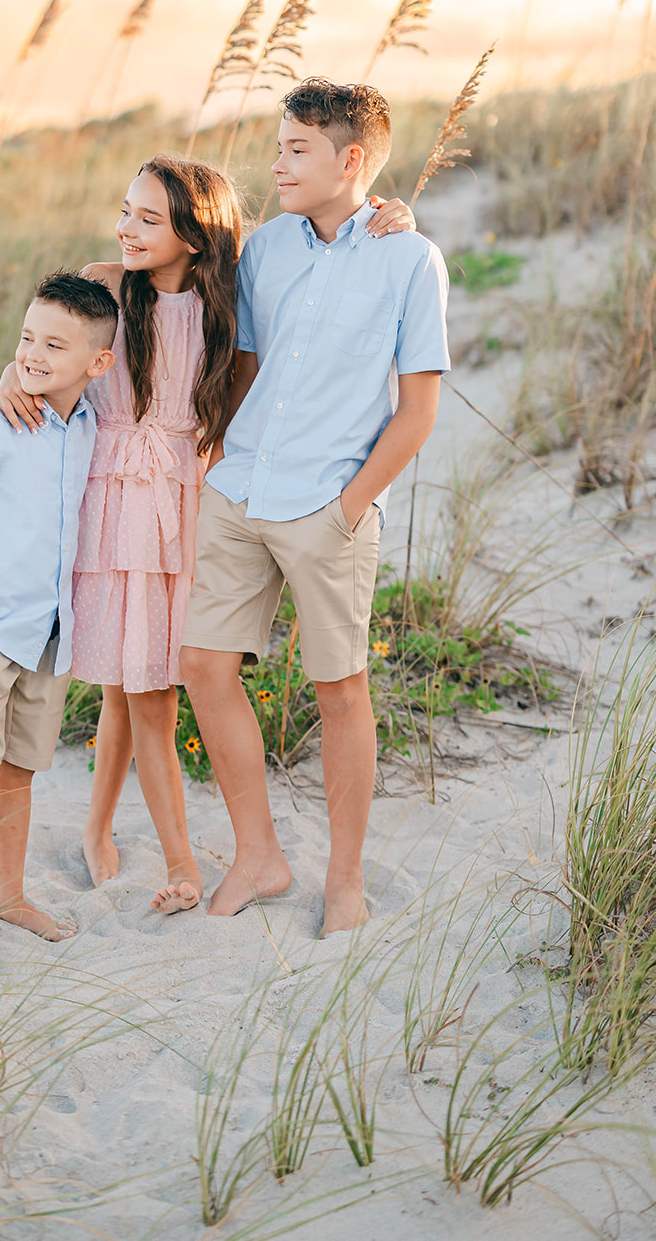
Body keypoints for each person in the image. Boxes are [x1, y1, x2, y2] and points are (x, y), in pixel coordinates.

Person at [0, 153, 417, 915]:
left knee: (146, 678)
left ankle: (119, 836)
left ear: (194, 234)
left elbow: (323, 250)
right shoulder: (104, 287)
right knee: (133, 681)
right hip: (116, 503)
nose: (127, 228)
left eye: (148, 218)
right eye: (125, 211)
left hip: (192, 501)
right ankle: (147, 848)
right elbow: (42, 347)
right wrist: (10, 374)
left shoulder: (232, 291)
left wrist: (392, 216)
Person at [179, 79, 451, 934]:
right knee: (203, 666)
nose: (277, 162)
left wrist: (349, 505)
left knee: (340, 689)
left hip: (327, 501)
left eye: (297, 148)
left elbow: (417, 412)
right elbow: (244, 365)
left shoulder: (409, 258)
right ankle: (258, 856)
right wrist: (221, 455)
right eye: (279, 145)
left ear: (351, 159)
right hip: (239, 488)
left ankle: (342, 880)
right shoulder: (266, 247)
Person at [0, 270, 118, 975]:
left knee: (19, 773)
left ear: (97, 364)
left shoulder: (90, 428)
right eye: (26, 340)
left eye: (55, 344)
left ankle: (10, 896)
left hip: (49, 634)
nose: (35, 355)